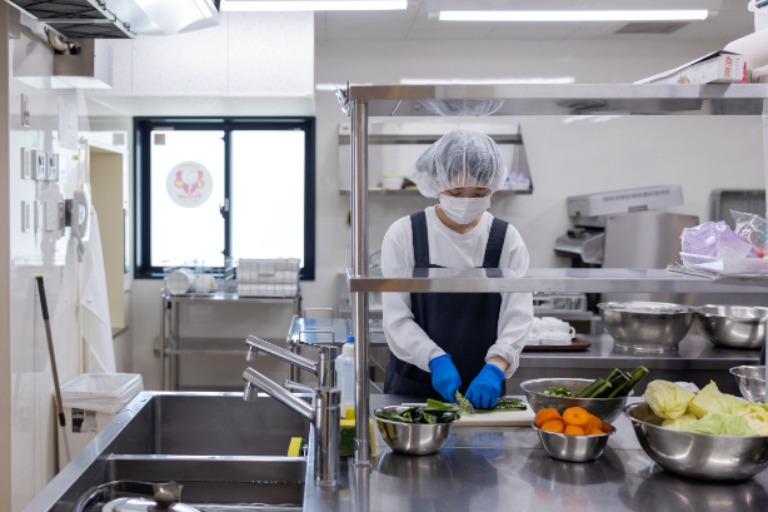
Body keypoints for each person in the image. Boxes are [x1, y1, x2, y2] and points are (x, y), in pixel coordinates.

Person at [381, 129, 533, 409]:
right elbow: (396, 317)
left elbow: (518, 315)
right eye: (456, 192)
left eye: (479, 193)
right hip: (413, 386)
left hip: (483, 387)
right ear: (436, 183)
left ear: (493, 186)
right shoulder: (405, 234)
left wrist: (496, 366)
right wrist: (434, 358)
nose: (466, 201)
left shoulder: (506, 238)